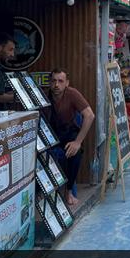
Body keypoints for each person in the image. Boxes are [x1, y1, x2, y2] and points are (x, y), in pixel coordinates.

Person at [47, 68, 94, 207]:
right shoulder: (45, 95)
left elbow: (89, 115)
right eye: (54, 81)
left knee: (75, 152)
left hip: (69, 133)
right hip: (51, 135)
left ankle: (68, 191)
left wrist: (78, 142)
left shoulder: (72, 94)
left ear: (66, 83)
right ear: (50, 83)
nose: (56, 85)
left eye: (60, 81)